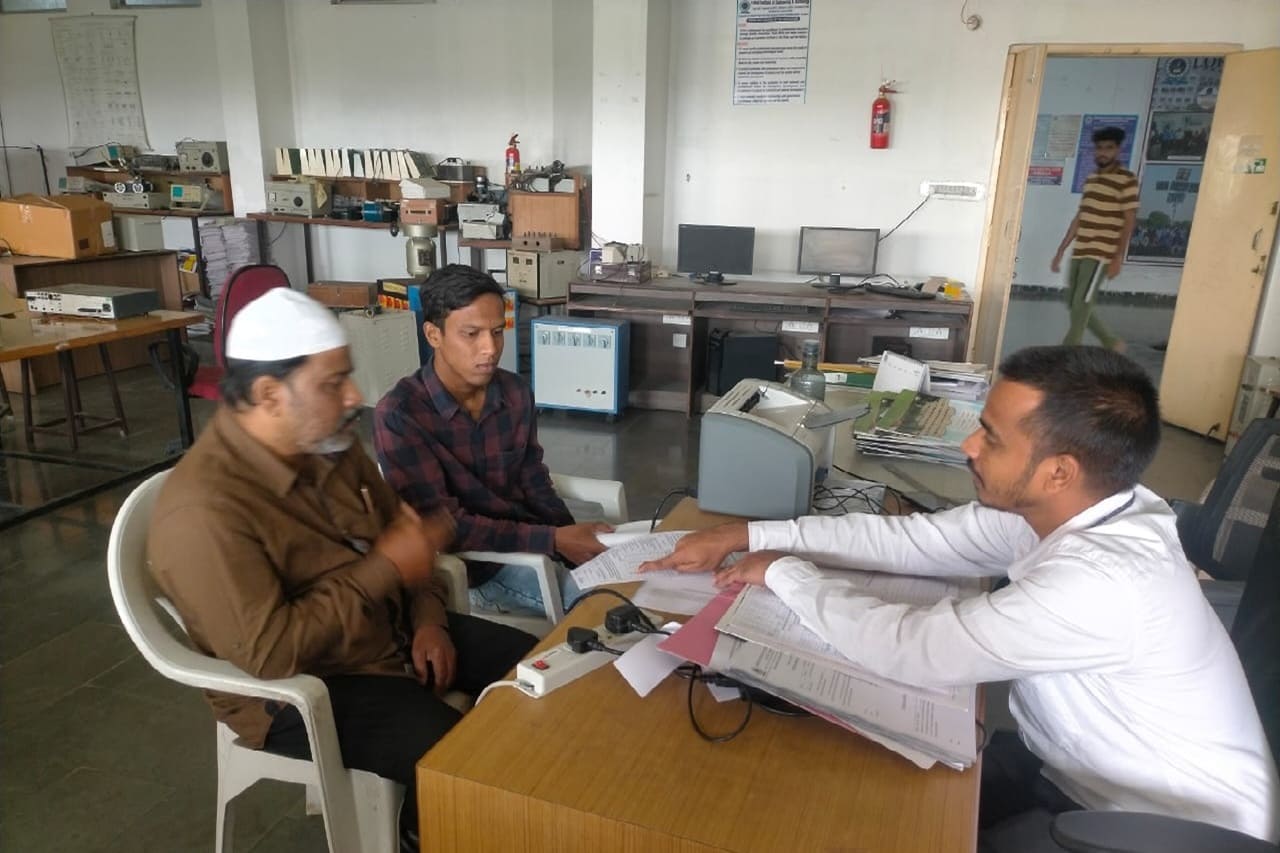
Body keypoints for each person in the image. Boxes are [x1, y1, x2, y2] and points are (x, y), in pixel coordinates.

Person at [639, 345, 1278, 845]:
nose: (968, 445)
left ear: (1060, 471)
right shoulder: (1082, 507)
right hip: (1076, 775)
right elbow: (914, 542)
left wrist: (785, 572)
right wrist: (747, 534)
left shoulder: (1104, 580)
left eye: (991, 437)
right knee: (867, 806)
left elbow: (916, 651)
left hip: (1161, 831)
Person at [148, 288, 537, 853]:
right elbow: (272, 654)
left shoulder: (327, 441)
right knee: (459, 761)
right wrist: (385, 569)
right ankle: (424, 833)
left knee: (537, 671)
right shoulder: (204, 512)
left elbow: (405, 540)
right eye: (333, 383)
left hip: (387, 630)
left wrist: (428, 617)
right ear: (269, 395)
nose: (354, 395)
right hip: (307, 686)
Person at [374, 264, 611, 617]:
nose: (490, 348)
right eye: (472, 334)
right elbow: (444, 526)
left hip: (537, 542)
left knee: (633, 579)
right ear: (433, 335)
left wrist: (569, 536)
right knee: (607, 605)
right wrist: (554, 541)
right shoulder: (401, 416)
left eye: (498, 332)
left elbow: (533, 479)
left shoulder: (514, 392)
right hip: (478, 568)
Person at [1051, 126, 1139, 351]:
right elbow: (1080, 216)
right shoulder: (1091, 179)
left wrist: (1117, 257)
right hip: (1080, 250)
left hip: (1101, 254)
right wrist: (1061, 250)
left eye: (1108, 148)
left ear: (1118, 150)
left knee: (1082, 302)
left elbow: (1129, 220)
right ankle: (1111, 342)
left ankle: (1069, 350)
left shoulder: (1126, 180)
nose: (1103, 153)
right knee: (1073, 302)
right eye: (1099, 148)